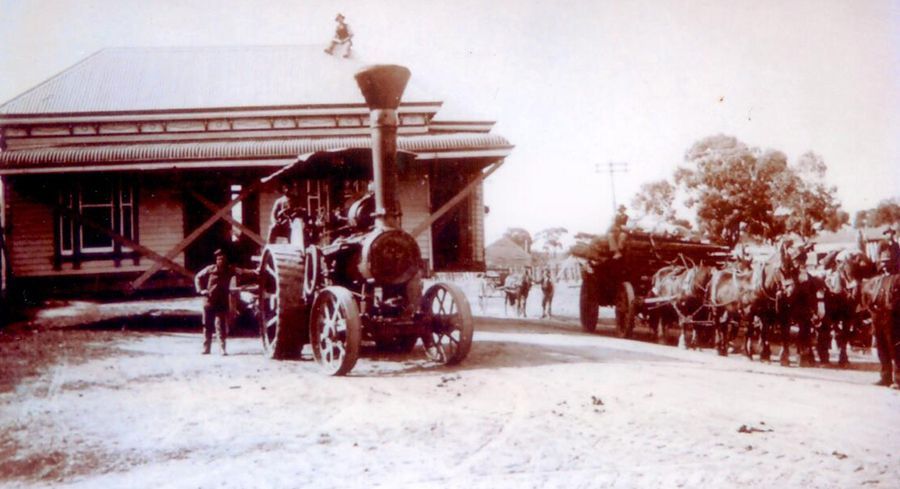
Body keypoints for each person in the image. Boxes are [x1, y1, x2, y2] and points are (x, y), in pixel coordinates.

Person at [194, 249, 256, 355]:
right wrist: (201, 290)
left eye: (222, 259)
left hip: (221, 302)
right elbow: (197, 277)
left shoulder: (229, 270)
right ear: (216, 260)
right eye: (218, 259)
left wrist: (254, 272)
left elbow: (242, 271)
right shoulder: (210, 269)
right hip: (209, 301)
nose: (220, 261)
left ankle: (222, 349)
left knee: (220, 326)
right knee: (207, 325)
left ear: (226, 260)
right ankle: (206, 348)